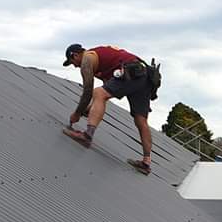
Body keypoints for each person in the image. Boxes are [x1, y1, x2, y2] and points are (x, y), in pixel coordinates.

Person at [62, 43, 160, 175]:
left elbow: (88, 91)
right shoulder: (103, 60)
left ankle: (87, 135)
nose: (75, 66)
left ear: (75, 55)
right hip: (144, 76)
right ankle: (146, 162)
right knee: (141, 120)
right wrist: (89, 108)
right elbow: (108, 90)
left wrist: (77, 113)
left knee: (98, 92)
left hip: (131, 71)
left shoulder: (87, 59)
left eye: (72, 62)